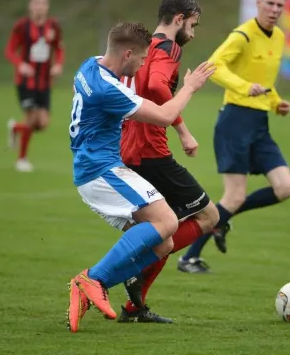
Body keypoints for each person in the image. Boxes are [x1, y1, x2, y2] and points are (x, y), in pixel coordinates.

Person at [66, 21, 215, 333]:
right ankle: (92, 279)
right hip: (101, 170)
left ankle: (91, 290)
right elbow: (162, 115)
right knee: (167, 222)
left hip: (94, 169)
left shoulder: (90, 65)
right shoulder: (109, 90)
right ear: (128, 54)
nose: (145, 63)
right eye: (143, 58)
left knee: (162, 244)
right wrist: (189, 87)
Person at [178, 0, 290, 273]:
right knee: (234, 196)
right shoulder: (242, 35)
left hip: (259, 124)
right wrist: (245, 88)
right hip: (234, 122)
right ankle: (188, 257)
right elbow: (214, 65)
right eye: (270, 4)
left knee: (285, 188)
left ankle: (222, 218)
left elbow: (265, 80)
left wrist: (276, 102)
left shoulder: (278, 37)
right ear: (258, 3)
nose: (275, 10)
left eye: (280, 6)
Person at [117, 0, 220, 323]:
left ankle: (135, 308)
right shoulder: (168, 47)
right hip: (151, 152)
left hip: (130, 149)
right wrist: (182, 129)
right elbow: (160, 86)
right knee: (208, 217)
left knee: (164, 225)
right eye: (194, 24)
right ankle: (137, 265)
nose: (193, 31)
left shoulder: (144, 48)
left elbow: (139, 85)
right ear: (180, 19)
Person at [5, 0, 64, 172]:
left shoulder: (53, 26)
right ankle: (21, 159)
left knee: (43, 123)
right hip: (26, 82)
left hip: (44, 82)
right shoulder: (22, 27)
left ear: (47, 7)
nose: (40, 6)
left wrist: (58, 65)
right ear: (31, 6)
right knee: (31, 119)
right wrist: (20, 65)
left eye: (43, 3)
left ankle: (15, 127)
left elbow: (59, 49)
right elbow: (9, 51)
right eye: (36, 3)